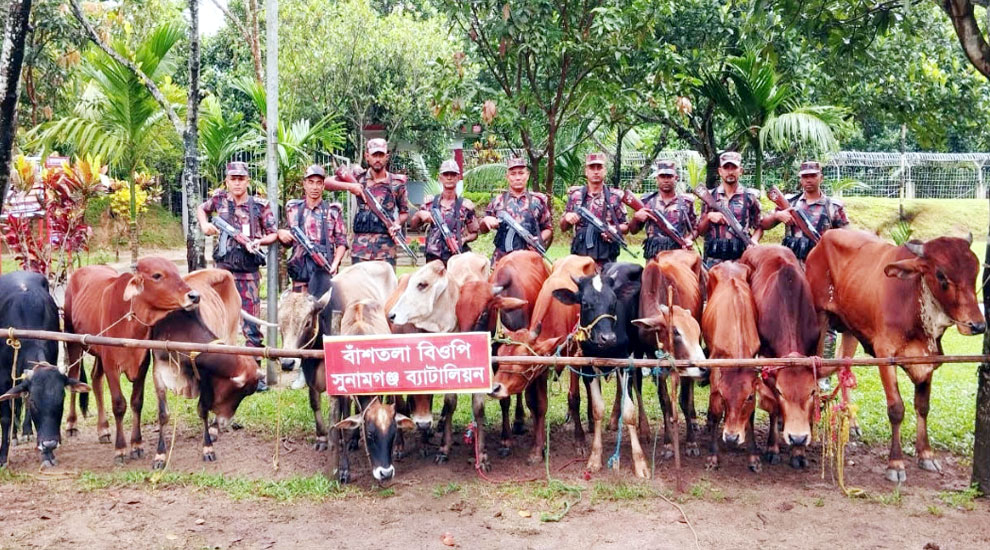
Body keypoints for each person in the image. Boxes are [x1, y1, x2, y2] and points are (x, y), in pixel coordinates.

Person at [197, 161, 278, 390]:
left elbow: (273, 234)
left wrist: (258, 241)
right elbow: (201, 209)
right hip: (222, 274)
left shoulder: (260, 206)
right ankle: (220, 369)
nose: (237, 183)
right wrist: (205, 225)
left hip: (248, 274)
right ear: (227, 181)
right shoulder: (219, 200)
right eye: (233, 178)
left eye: (241, 178)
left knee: (251, 323)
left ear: (248, 181)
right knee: (219, 320)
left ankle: (254, 372)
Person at [324, 138, 409, 266]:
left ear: (387, 156)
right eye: (374, 155)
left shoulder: (396, 183)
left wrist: (396, 224)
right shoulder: (358, 178)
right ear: (367, 156)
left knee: (386, 286)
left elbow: (404, 212)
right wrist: (350, 187)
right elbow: (326, 183)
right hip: (360, 250)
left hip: (385, 251)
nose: (378, 159)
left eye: (381, 155)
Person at [278, 164, 348, 292]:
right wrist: (281, 233)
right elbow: (285, 236)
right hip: (300, 272)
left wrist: (335, 263)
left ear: (323, 186)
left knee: (324, 309)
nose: (314, 187)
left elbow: (341, 242)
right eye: (310, 182)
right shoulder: (293, 209)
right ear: (304, 184)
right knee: (299, 309)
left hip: (324, 270)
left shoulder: (332, 211)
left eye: (318, 183)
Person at [760, 160, 848, 261]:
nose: (809, 180)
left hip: (821, 264)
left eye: (813, 176)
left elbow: (847, 238)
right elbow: (763, 224)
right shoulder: (790, 203)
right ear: (800, 180)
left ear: (821, 178)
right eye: (805, 177)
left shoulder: (833, 206)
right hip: (792, 265)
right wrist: (777, 215)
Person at [560, 152, 628, 268]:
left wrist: (613, 230)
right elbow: (563, 227)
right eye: (592, 168)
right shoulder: (576, 196)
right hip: (580, 257)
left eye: (599, 167)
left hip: (606, 258)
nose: (596, 171)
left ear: (605, 171)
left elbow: (626, 226)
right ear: (586, 171)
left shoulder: (614, 197)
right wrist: (567, 217)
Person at [479, 156, 553, 262]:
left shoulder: (538, 200)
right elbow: (482, 229)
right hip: (501, 259)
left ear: (527, 175)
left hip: (530, 259)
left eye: (521, 173)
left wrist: (539, 240)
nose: (517, 178)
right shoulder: (497, 201)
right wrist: (486, 221)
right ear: (507, 177)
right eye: (513, 174)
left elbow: (548, 228)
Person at [696, 151, 762, 268]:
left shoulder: (750, 197)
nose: (730, 172)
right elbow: (700, 231)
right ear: (720, 171)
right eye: (726, 168)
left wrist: (754, 240)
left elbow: (759, 226)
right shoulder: (710, 197)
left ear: (740, 171)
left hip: (741, 260)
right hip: (714, 261)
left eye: (734, 168)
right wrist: (709, 217)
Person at [409, 159, 479, 264]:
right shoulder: (430, 203)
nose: (449, 178)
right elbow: (413, 225)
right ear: (440, 178)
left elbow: (474, 233)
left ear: (458, 178)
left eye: (453, 174)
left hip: (456, 259)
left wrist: (464, 240)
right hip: (433, 258)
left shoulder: (465, 206)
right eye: (446, 174)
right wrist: (419, 214)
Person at [629, 160, 697, 260]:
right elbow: (633, 230)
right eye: (662, 176)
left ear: (676, 178)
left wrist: (688, 239)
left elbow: (695, 228)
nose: (666, 180)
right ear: (657, 178)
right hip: (654, 255)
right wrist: (636, 218)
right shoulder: (646, 201)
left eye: (669, 176)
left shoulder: (686, 202)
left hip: (678, 253)